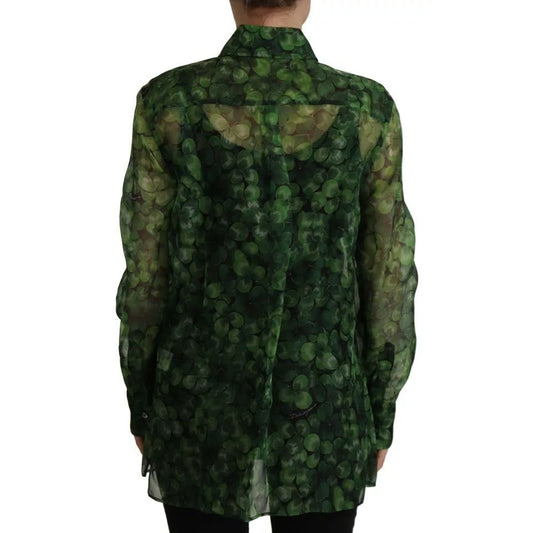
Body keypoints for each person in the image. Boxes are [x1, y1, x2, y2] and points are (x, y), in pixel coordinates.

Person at [115, 0, 419, 531]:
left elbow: (146, 275)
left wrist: (142, 400)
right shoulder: (367, 109)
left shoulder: (167, 103)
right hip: (325, 404)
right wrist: (379, 411)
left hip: (196, 405)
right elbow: (389, 278)